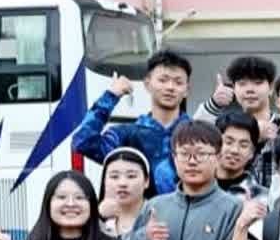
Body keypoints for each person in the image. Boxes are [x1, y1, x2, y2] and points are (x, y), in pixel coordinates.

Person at [73, 49, 193, 194]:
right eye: (163, 80)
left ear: (187, 90)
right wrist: (110, 96)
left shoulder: (197, 135)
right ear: (147, 84)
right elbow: (83, 142)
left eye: (178, 82)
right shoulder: (126, 135)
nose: (170, 87)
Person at [192, 53, 278, 142]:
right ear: (234, 88)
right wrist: (214, 104)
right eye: (242, 84)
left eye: (258, 83)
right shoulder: (224, 126)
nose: (250, 90)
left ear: (271, 88)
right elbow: (192, 137)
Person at [96, 146, 150, 240]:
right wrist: (97, 217)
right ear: (104, 181)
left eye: (131, 176)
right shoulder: (92, 220)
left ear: (146, 181)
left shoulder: (160, 215)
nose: (122, 183)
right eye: (114, 176)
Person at [213, 108, 264, 197]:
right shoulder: (195, 187)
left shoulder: (261, 197)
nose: (235, 150)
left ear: (252, 152)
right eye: (229, 142)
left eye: (243, 145)